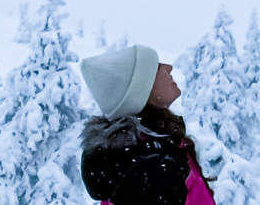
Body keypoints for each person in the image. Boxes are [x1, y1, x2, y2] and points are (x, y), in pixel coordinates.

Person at [79, 44, 215, 205]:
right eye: (156, 67)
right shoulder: (150, 166)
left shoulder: (146, 152)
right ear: (144, 89)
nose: (168, 68)